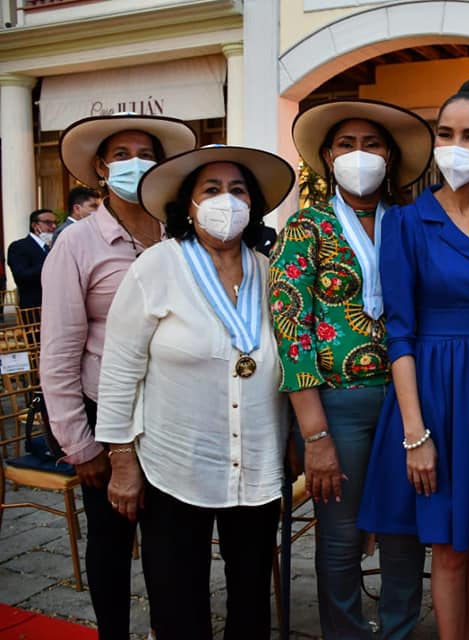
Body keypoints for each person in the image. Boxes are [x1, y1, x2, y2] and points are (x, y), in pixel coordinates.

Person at [95, 144, 295, 639]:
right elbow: (120, 369)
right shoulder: (156, 267)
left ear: (252, 205)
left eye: (238, 190)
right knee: (177, 598)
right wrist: (121, 460)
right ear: (187, 204)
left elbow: (290, 361)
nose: (226, 200)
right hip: (175, 464)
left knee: (251, 596)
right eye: (211, 189)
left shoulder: (269, 271)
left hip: (255, 463)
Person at [358, 78, 469, 640]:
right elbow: (399, 334)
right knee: (449, 547)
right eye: (445, 133)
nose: (456, 146)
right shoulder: (406, 223)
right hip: (432, 393)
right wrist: (416, 435)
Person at [270, 99, 434, 639]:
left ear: (390, 156)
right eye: (346, 145)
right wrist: (313, 432)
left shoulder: (411, 223)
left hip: (409, 400)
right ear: (326, 157)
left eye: (372, 144)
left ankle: (399, 630)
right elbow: (291, 329)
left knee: (405, 530)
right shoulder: (306, 227)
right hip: (338, 405)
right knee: (340, 534)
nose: (359, 155)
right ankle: (345, 632)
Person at [39, 113, 196, 640]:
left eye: (146, 154)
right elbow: (59, 352)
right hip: (106, 412)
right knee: (110, 541)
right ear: (102, 168)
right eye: (122, 155)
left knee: (172, 542)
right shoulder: (77, 244)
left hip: (175, 412)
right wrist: (80, 443)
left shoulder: (181, 233)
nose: (136, 163)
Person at [8, 208, 57, 308]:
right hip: (34, 306)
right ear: (35, 225)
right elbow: (21, 275)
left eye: (55, 222)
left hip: (57, 303)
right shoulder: (19, 246)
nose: (54, 226)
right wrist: (50, 263)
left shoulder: (54, 246)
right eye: (48, 222)